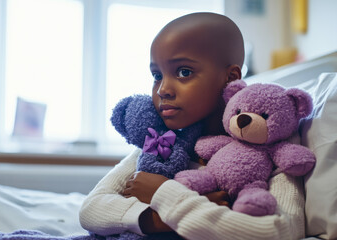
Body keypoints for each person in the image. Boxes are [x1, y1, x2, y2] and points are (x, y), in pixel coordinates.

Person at [79, 12, 306, 240]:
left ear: (230, 78)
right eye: (157, 75)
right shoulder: (162, 142)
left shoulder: (268, 144)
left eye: (183, 72)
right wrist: (156, 220)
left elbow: (281, 231)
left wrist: (163, 193)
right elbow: (90, 210)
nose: (162, 89)